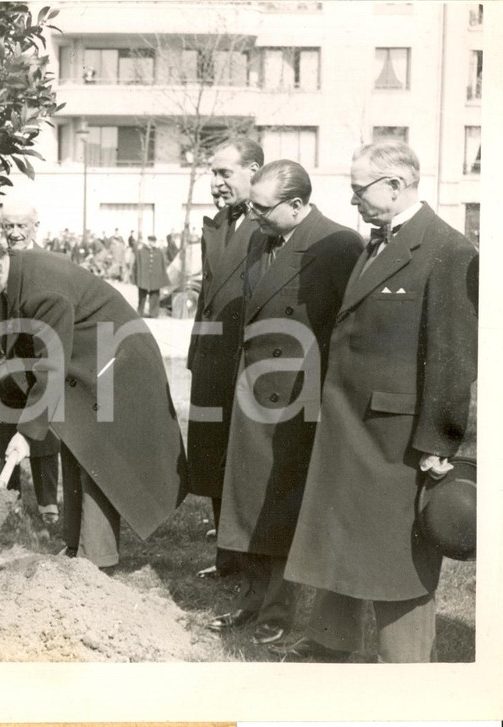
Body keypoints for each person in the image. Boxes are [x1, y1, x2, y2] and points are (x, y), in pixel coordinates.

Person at [272, 140, 478, 663]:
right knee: (339, 533)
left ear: (396, 185)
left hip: (398, 436)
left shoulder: (447, 250)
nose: (353, 200)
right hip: (350, 423)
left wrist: (440, 438)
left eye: (360, 189)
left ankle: (404, 667)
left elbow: (454, 355)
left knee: (399, 556)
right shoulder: (375, 242)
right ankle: (330, 642)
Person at [0, 237, 188, 569]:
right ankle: (77, 547)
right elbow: (25, 348)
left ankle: (96, 559)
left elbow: (51, 364)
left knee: (96, 452)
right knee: (73, 437)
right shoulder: (14, 274)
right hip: (88, 356)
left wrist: (26, 433)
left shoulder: (41, 289)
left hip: (120, 360)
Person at [210, 160, 362, 645]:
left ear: (296, 206)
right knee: (247, 502)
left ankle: (277, 611)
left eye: (261, 208)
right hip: (253, 389)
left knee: (280, 505)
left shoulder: (338, 244)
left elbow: (347, 328)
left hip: (298, 398)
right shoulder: (259, 236)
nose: (252, 215)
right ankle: (252, 602)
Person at [183, 138, 263, 580]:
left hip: (245, 361)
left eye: (224, 173)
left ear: (253, 171)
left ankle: (249, 560)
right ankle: (227, 558)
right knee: (213, 459)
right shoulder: (216, 225)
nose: (215, 183)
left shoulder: (268, 226)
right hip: (211, 357)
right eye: (213, 174)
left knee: (242, 461)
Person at [0, 200, 61, 523]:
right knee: (8, 429)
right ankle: (11, 499)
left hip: (40, 361)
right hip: (5, 361)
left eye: (22, 225)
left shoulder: (52, 262)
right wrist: (5, 342)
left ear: (36, 226)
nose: (15, 232)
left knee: (44, 430)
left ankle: (48, 502)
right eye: (9, 226)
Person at [132, 235, 169, 318]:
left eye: (153, 241)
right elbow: (135, 265)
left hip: (155, 278)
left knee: (155, 295)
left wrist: (163, 278)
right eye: (150, 241)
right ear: (147, 241)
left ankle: (153, 314)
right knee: (142, 296)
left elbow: (163, 265)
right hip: (143, 278)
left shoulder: (159, 252)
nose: (151, 243)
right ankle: (140, 312)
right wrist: (135, 278)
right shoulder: (141, 252)